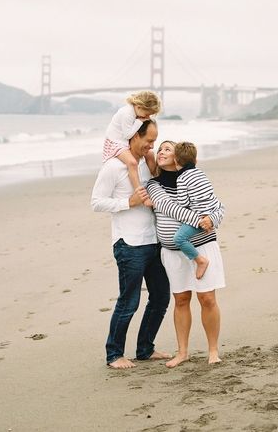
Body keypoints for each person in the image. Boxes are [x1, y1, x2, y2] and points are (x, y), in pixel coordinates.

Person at [91, 120, 171, 369]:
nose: (152, 145)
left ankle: (145, 349)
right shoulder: (114, 167)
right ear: (133, 136)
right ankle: (114, 354)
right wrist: (129, 202)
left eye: (155, 141)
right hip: (129, 243)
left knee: (160, 297)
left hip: (153, 241)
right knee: (129, 302)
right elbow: (96, 202)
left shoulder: (147, 165)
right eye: (149, 140)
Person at [147, 141, 225, 368]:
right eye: (159, 149)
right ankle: (182, 352)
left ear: (178, 157)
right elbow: (169, 207)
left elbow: (218, 206)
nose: (161, 152)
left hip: (202, 247)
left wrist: (213, 219)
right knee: (180, 300)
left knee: (207, 299)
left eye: (167, 149)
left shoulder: (195, 177)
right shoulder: (154, 185)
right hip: (173, 252)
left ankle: (213, 350)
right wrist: (200, 220)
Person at [172, 142, 224, 280]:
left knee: (179, 238)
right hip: (211, 213)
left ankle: (200, 260)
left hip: (199, 219)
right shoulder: (201, 173)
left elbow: (183, 203)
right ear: (196, 160)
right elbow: (210, 194)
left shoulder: (182, 178)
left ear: (176, 161)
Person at [103, 91, 161, 198]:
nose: (147, 117)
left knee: (150, 154)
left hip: (123, 141)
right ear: (139, 106)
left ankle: (159, 180)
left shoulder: (135, 112)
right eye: (147, 114)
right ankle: (139, 192)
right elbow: (128, 135)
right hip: (116, 143)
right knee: (132, 163)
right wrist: (139, 122)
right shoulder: (127, 113)